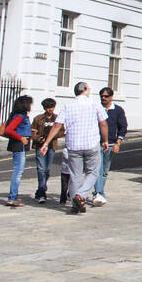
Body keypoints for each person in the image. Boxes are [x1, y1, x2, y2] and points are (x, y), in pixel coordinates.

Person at [40, 81, 108, 215]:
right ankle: (80, 196)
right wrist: (105, 140)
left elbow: (57, 125)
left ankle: (74, 205)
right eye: (88, 88)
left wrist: (46, 143)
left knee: (75, 175)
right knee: (93, 172)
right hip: (91, 144)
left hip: (74, 145)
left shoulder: (68, 106)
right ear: (85, 89)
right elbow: (103, 124)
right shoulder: (94, 104)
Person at [92, 86, 127, 206]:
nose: (103, 98)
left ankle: (99, 192)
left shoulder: (118, 110)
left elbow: (123, 127)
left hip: (111, 144)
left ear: (111, 97)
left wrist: (118, 143)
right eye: (101, 96)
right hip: (96, 144)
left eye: (106, 96)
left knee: (105, 171)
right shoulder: (96, 108)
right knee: (97, 169)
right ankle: (99, 193)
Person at [30, 97, 64, 205]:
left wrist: (52, 136)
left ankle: (40, 190)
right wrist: (38, 138)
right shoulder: (38, 119)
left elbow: (62, 131)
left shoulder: (57, 118)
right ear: (45, 108)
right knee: (41, 169)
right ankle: (42, 194)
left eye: (52, 107)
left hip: (51, 146)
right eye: (49, 107)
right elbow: (32, 133)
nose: (51, 109)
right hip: (40, 146)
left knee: (47, 169)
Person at [2, 95, 34, 207]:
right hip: (18, 145)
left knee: (18, 172)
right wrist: (21, 138)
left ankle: (13, 197)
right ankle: (12, 197)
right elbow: (9, 130)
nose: (31, 106)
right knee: (18, 172)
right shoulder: (20, 116)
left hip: (20, 145)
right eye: (30, 103)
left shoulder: (21, 116)